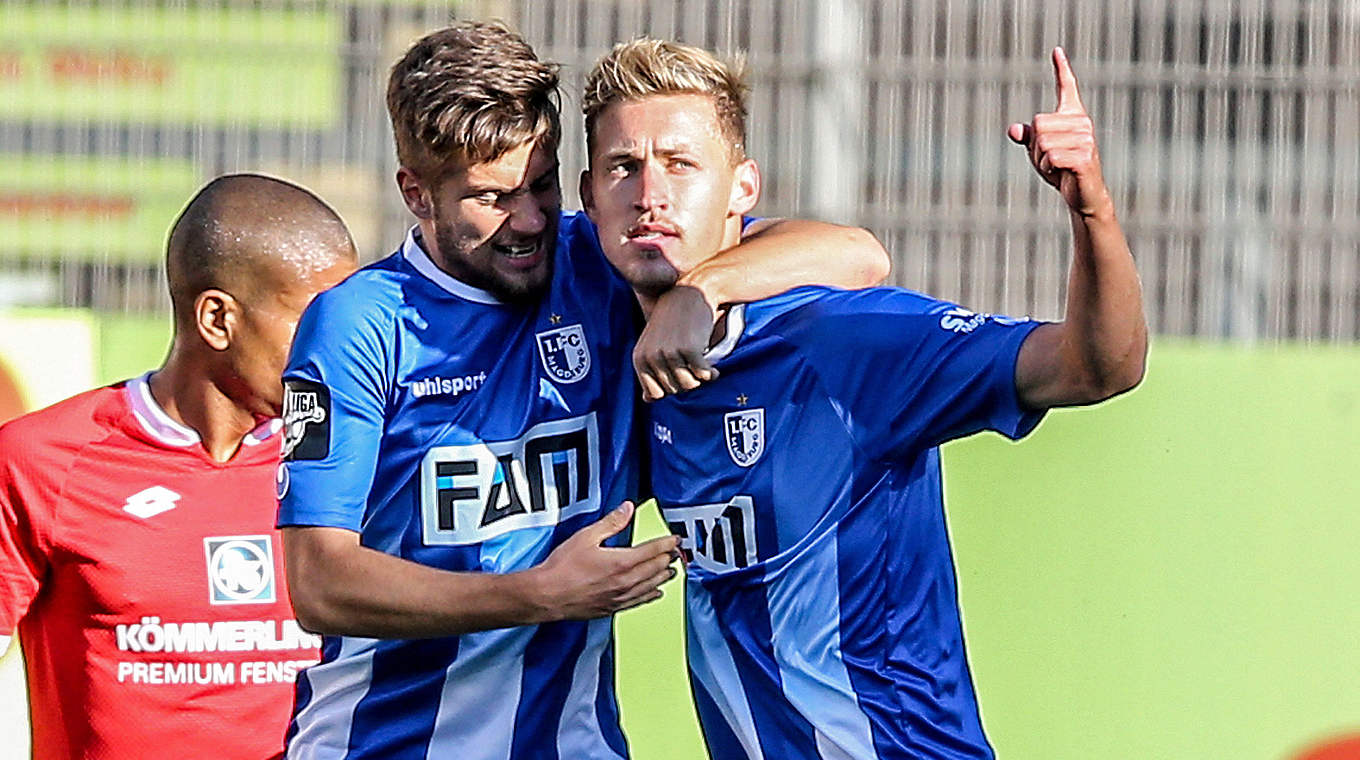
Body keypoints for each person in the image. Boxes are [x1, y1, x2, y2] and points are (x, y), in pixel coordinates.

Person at [276, 20, 889, 760]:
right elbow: (320, 584)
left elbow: (856, 253)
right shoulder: (356, 325)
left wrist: (706, 288)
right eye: (491, 198)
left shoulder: (594, 266)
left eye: (542, 185)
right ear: (417, 194)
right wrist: (541, 595)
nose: (529, 221)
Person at [580, 39, 1147, 759]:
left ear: (744, 186)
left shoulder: (845, 343)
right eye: (624, 167)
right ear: (588, 195)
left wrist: (1090, 205)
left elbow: (1099, 367)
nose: (651, 193)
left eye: (682, 163)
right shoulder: (608, 331)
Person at [0, 173, 358, 759]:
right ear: (218, 320)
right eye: (314, 322)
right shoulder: (39, 461)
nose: (339, 347)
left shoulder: (349, 458)